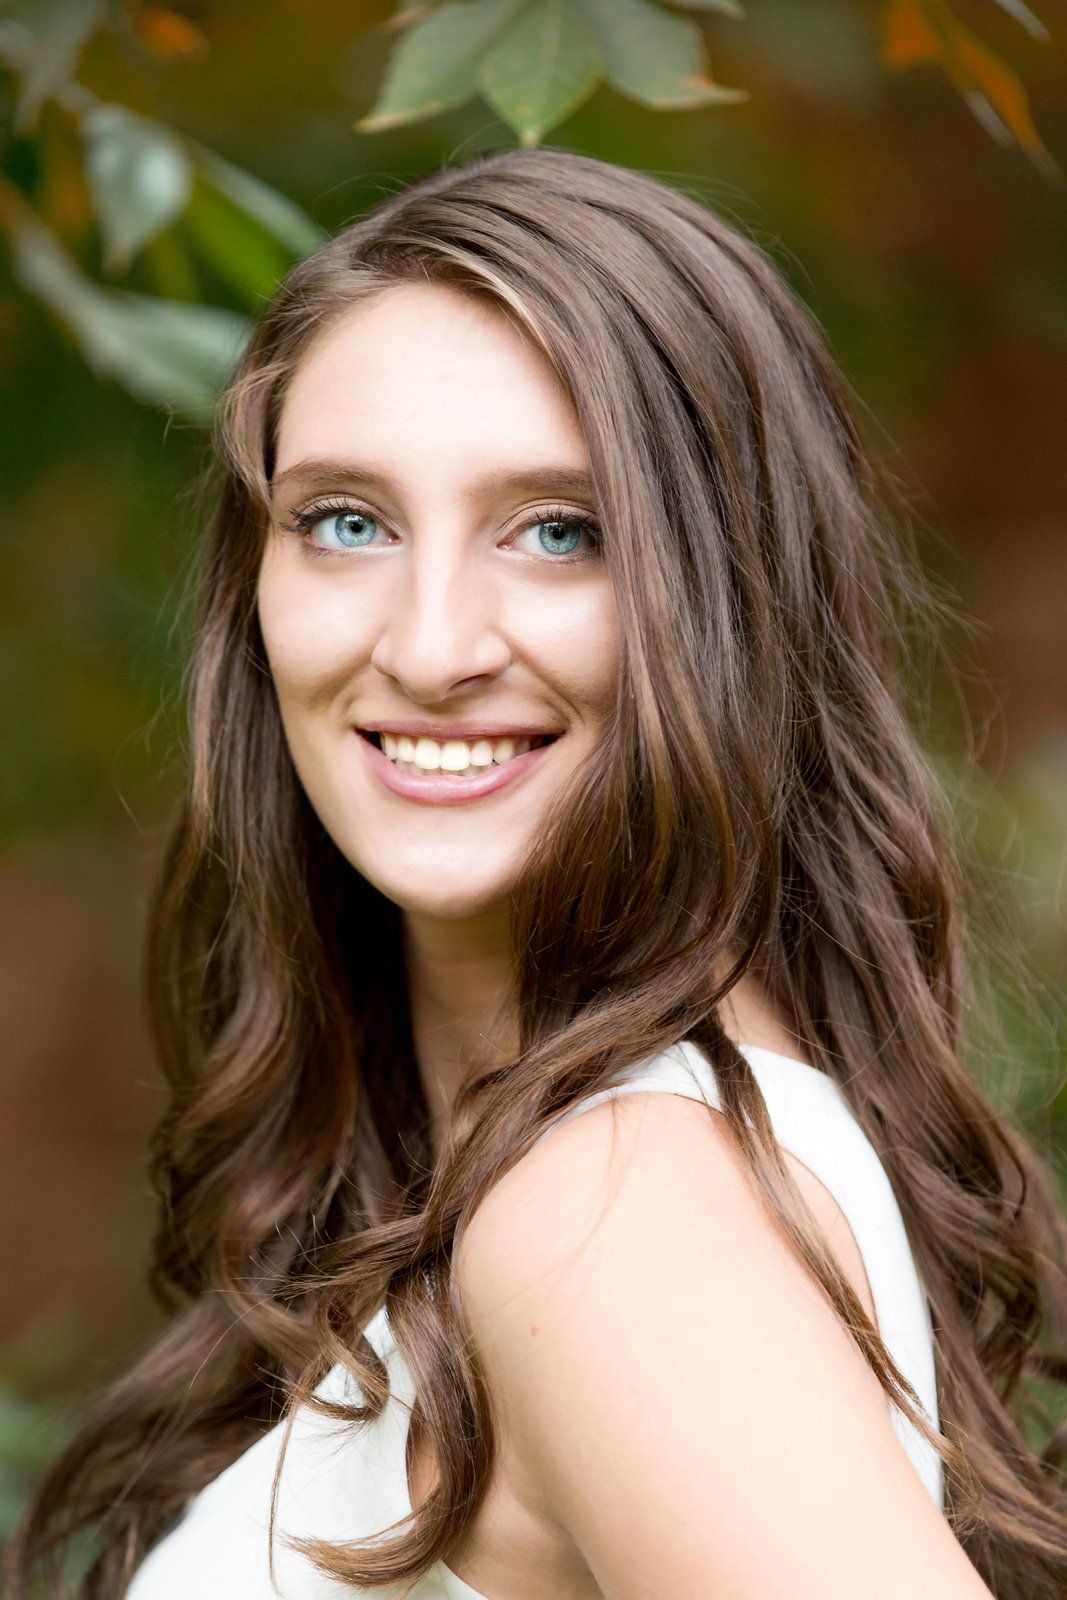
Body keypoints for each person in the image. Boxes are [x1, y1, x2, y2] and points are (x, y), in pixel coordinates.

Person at [9, 146, 1067, 1600]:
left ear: (732, 597)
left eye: (560, 531)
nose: (432, 646)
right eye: (346, 522)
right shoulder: (568, 1176)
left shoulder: (614, 1206)